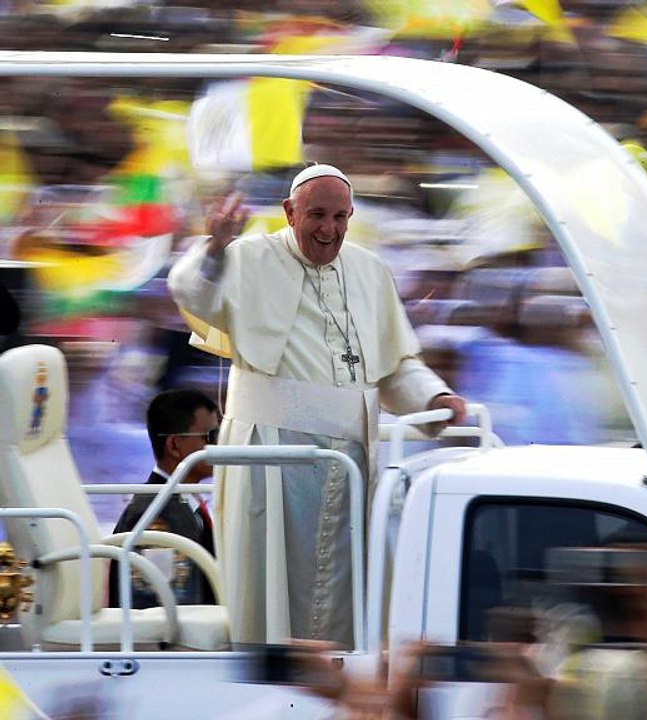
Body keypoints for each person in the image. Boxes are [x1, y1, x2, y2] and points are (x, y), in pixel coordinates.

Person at [167, 164, 467, 647]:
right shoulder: (247, 258)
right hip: (272, 457)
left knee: (348, 601)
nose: (329, 230)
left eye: (340, 217)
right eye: (317, 215)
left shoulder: (370, 270)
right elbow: (191, 292)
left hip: (350, 463)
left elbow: (393, 365)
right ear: (290, 212)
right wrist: (214, 248)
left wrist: (437, 395)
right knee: (277, 594)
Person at [109, 388, 220, 608]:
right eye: (210, 437)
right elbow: (159, 612)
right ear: (174, 446)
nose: (219, 446)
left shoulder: (181, 504)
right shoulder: (157, 518)